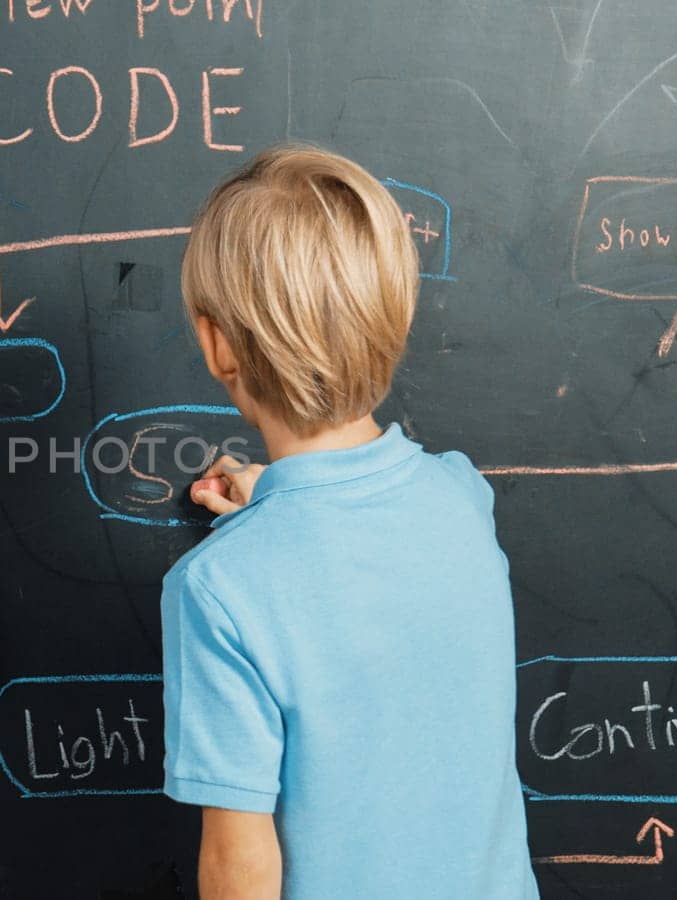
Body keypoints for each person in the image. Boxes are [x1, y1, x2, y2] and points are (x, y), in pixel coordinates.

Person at [162, 145, 537, 899]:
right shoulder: (463, 498)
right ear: (392, 314)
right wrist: (282, 499)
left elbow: (239, 867)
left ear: (217, 345)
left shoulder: (219, 588)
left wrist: (276, 515)